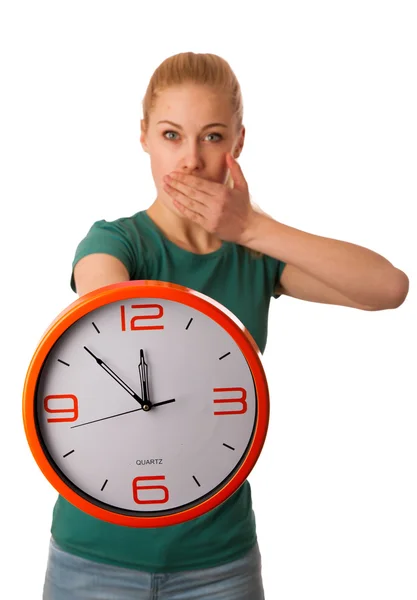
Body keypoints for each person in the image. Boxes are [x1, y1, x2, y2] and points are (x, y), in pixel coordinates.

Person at [42, 51, 409, 600]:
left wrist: (254, 227)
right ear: (143, 136)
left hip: (218, 563)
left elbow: (389, 288)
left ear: (238, 142)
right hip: (94, 558)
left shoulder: (253, 259)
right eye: (171, 135)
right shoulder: (116, 242)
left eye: (211, 137)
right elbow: (104, 305)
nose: (189, 160)